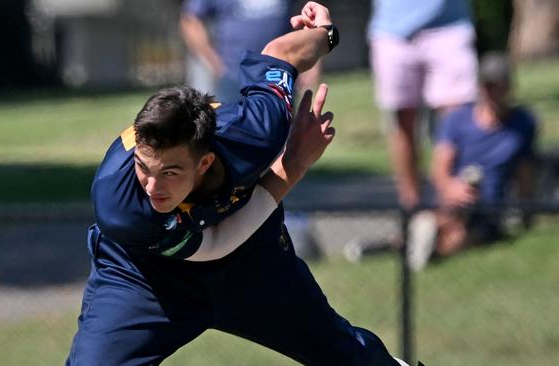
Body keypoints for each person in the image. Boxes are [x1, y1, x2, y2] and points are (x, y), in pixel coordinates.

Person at [67, 2, 406, 365]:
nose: (152, 186)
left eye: (170, 173)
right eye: (144, 168)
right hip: (145, 276)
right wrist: (293, 165)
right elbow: (213, 244)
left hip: (250, 261)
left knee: (347, 357)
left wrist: (323, 34)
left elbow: (281, 54)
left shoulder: (255, 131)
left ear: (205, 163)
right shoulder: (120, 201)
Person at [407, 52, 537, 270]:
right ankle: (422, 237)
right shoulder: (457, 120)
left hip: (489, 208)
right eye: (488, 86)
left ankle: (423, 248)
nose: (493, 93)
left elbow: (525, 171)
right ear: (480, 87)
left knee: (459, 238)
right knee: (446, 221)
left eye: (499, 86)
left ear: (509, 87)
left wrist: (527, 213)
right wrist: (452, 188)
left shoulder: (522, 123)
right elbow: (439, 169)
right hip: (454, 201)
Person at [368, 0, 479, 209]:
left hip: (449, 25)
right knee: (402, 124)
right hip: (392, 29)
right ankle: (412, 212)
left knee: (457, 121)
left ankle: (452, 213)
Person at [179, 0, 321, 103]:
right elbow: (190, 21)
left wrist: (314, 59)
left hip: (279, 75)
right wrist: (214, 62)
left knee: (284, 137)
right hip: (233, 78)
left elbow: (311, 10)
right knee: (232, 137)